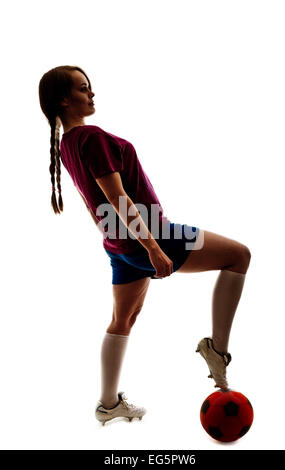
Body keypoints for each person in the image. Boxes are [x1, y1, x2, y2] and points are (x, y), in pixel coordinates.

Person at [38, 65, 251, 426]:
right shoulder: (91, 137)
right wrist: (153, 248)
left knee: (123, 319)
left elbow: (95, 206)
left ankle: (108, 404)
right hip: (152, 235)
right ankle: (217, 349)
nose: (92, 94)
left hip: (120, 246)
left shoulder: (68, 144)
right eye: (84, 88)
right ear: (64, 99)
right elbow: (119, 199)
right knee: (238, 256)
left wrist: (115, 242)